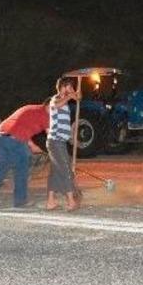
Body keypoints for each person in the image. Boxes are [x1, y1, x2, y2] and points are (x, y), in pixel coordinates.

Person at [0, 102, 49, 208]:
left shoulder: (31, 109)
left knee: (0, 168)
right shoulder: (44, 114)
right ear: (49, 106)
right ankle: (20, 200)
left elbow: (22, 127)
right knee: (21, 169)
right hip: (15, 140)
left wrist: (31, 145)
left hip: (1, 137)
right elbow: (51, 136)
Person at [46, 78, 81, 211]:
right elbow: (57, 105)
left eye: (72, 87)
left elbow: (78, 97)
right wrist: (70, 95)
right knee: (66, 170)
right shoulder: (55, 99)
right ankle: (71, 201)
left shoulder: (65, 105)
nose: (71, 90)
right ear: (63, 87)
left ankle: (50, 202)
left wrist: (72, 137)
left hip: (59, 141)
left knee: (55, 172)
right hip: (55, 141)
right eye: (69, 87)